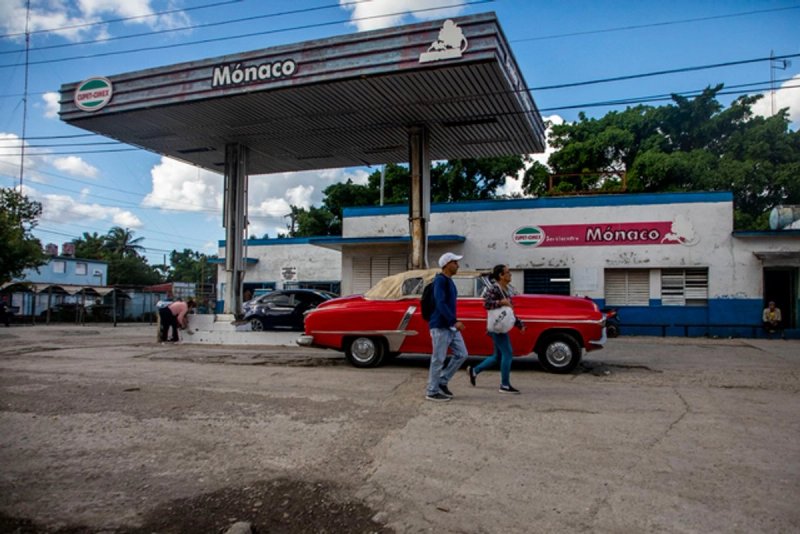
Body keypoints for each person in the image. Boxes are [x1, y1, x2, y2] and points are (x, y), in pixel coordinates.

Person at [467, 264, 525, 394]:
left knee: (497, 356)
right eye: (508, 272)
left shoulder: (506, 289)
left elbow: (508, 311)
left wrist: (519, 323)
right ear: (501, 275)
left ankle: (474, 371)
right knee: (508, 353)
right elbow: (486, 304)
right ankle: (504, 385)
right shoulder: (494, 288)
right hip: (497, 328)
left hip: (499, 326)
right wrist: (500, 302)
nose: (510, 274)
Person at [425, 252, 469, 402]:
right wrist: (453, 321)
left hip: (449, 326)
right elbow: (440, 302)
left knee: (462, 354)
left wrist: (452, 322)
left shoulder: (449, 281)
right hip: (440, 325)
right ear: (447, 264)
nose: (458, 265)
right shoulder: (440, 281)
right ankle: (431, 391)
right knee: (438, 359)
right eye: (455, 262)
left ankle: (442, 381)